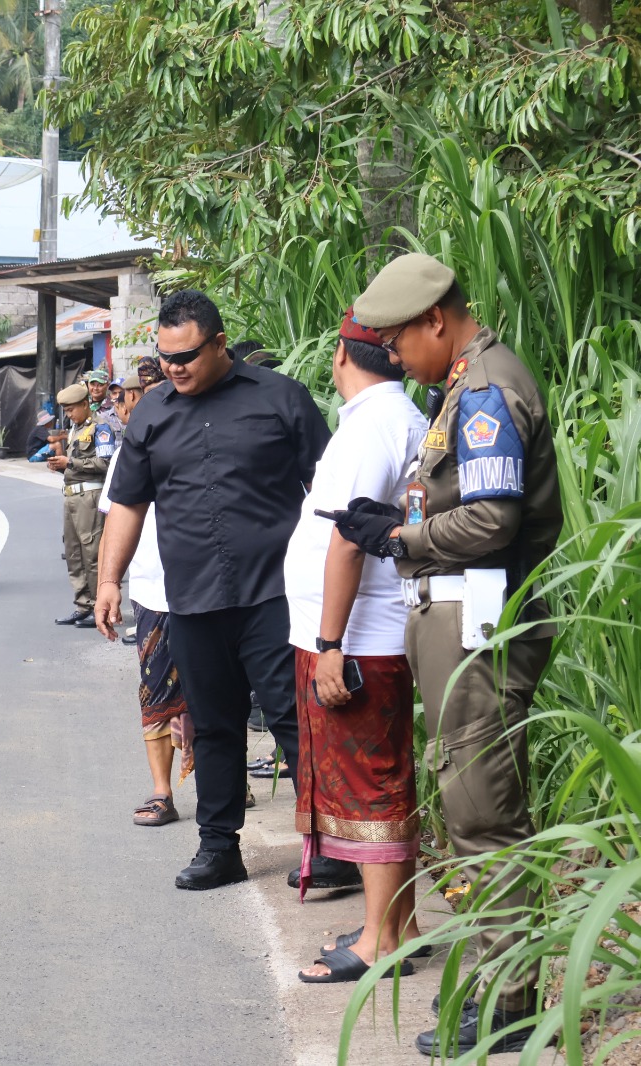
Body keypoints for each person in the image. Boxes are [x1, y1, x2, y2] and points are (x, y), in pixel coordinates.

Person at [327, 254, 562, 1055]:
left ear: (436, 319)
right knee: (470, 804)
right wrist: (396, 521)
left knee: (483, 812)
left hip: (480, 619)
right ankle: (501, 980)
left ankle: (509, 1004)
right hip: (457, 614)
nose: (393, 356)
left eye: (398, 341)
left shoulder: (486, 388)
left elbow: (492, 521)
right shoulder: (461, 385)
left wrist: (401, 538)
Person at [96, 289, 334, 891]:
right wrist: (108, 581)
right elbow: (127, 504)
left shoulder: (280, 399)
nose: (174, 368)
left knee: (295, 720)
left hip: (275, 596)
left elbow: (331, 493)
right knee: (212, 724)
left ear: (220, 343)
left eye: (186, 356)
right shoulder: (151, 414)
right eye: (165, 357)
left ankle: (332, 846)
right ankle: (219, 847)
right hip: (193, 601)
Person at [283, 310, 428, 984]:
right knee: (378, 778)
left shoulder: (374, 426)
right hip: (363, 631)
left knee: (371, 784)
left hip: (360, 637)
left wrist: (331, 643)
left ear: (341, 355)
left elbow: (350, 536)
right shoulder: (387, 418)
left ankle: (379, 940)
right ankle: (401, 924)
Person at [96, 361, 190, 826]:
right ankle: (161, 792)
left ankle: (228, 781)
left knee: (221, 690)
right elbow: (114, 519)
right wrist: (107, 583)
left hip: (212, 590)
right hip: (153, 591)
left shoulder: (204, 437)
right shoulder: (129, 451)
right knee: (155, 690)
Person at [50, 382, 108, 628]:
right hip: (72, 496)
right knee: (73, 553)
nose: (69, 414)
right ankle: (83, 605)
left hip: (90, 497)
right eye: (66, 410)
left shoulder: (100, 427)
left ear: (85, 404)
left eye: (72, 409)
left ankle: (99, 606)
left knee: (92, 554)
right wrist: (60, 465)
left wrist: (70, 463)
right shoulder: (76, 429)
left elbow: (106, 463)